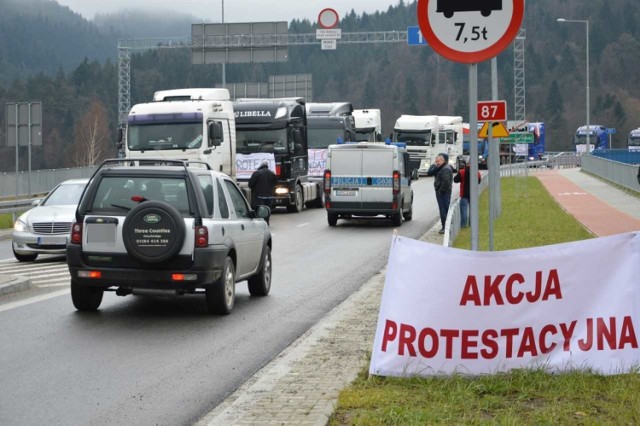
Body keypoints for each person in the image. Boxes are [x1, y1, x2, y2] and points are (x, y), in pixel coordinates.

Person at [428, 153, 453, 234]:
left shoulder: (445, 169)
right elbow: (429, 172)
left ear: (443, 160)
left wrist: (440, 191)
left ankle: (445, 227)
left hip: (444, 193)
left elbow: (446, 182)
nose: (437, 163)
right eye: (436, 161)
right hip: (442, 192)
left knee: (444, 210)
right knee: (443, 210)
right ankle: (444, 226)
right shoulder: (441, 168)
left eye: (438, 161)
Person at [453, 158, 482, 228]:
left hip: (464, 194)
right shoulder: (477, 172)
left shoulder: (462, 172)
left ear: (467, 163)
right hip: (473, 194)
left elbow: (455, 180)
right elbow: (479, 181)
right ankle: (472, 224)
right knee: (473, 210)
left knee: (463, 211)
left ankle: (463, 225)